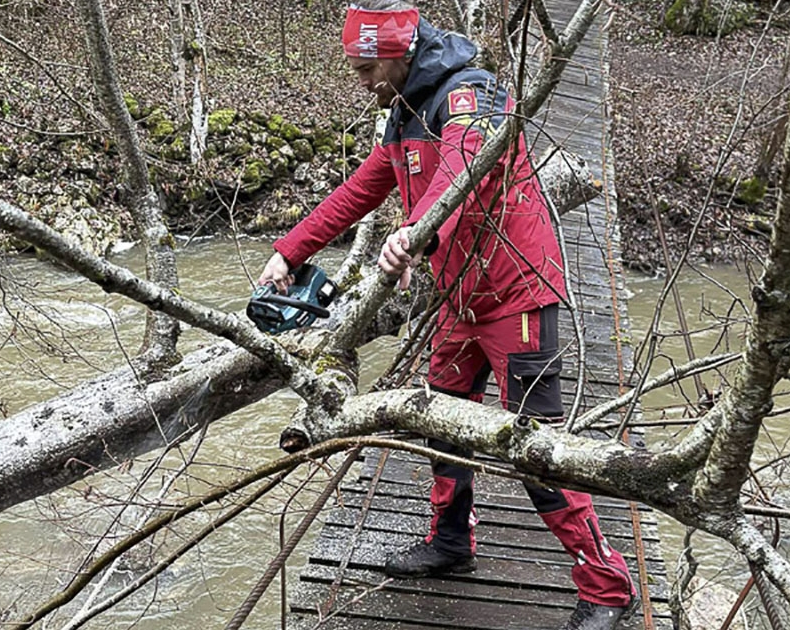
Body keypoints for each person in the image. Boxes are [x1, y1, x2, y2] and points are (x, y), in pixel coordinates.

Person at [258, 2, 635, 628]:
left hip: (519, 294)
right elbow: (360, 189)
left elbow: (462, 171)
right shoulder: (402, 114)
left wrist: (412, 233)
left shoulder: (471, 98)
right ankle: (451, 542)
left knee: (534, 451)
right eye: (355, 67)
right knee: (440, 422)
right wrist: (287, 252)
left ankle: (606, 586)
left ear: (401, 55)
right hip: (460, 298)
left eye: (367, 67)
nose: (361, 80)